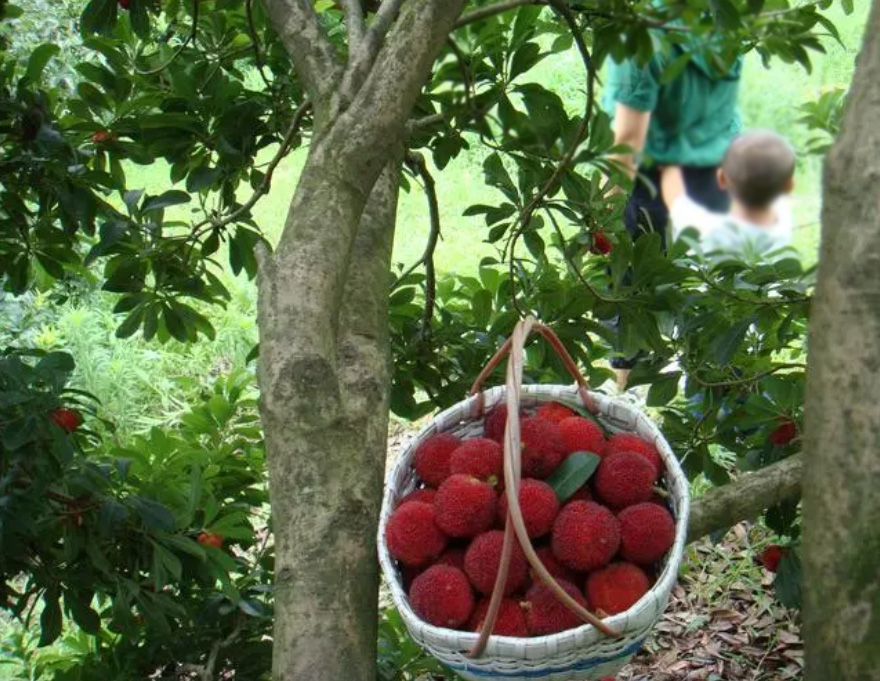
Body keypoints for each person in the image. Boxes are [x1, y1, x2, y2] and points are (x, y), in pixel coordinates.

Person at [602, 43, 744, 389]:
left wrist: (601, 214)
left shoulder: (638, 38)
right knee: (714, 287)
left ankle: (625, 392)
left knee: (631, 287)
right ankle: (720, 397)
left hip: (658, 174)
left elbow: (627, 144)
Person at [661, 129, 796, 260]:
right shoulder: (783, 220)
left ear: (722, 179)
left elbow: (674, 198)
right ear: (789, 186)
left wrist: (670, 159)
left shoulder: (708, 230)